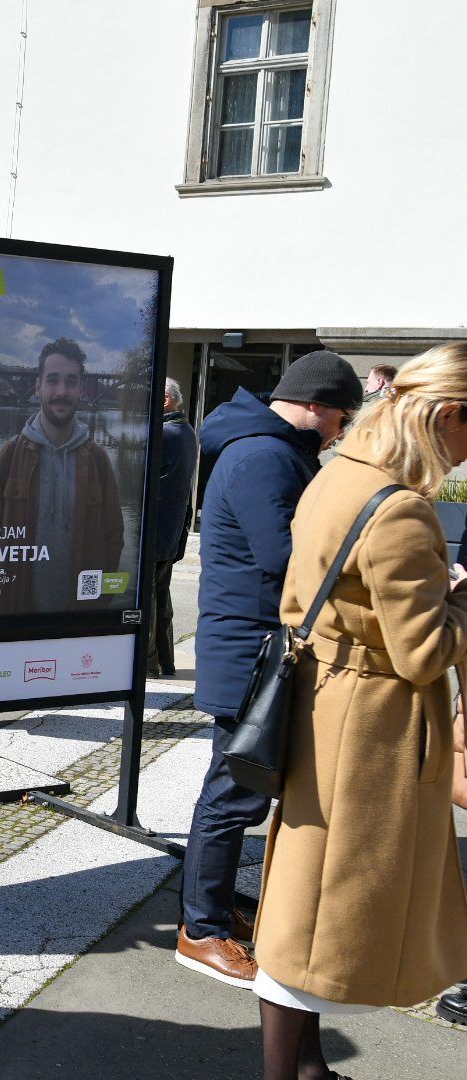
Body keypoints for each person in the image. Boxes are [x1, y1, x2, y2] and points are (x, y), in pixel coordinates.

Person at [252, 345, 467, 1079]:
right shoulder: (400, 506)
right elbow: (423, 653)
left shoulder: (340, 471)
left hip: (326, 701)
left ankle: (304, 1065)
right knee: (320, 910)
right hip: (369, 727)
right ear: (445, 416)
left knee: (304, 895)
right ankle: (292, 1072)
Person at [178, 350, 363, 988]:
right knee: (233, 795)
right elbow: (289, 556)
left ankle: (213, 907)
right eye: (340, 417)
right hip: (253, 653)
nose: (339, 432)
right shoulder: (263, 455)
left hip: (255, 648)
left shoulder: (266, 447)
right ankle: (199, 930)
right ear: (315, 405)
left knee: (239, 790)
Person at [0, 337, 124, 615]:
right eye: (53, 380)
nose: (61, 391)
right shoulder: (8, 457)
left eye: (71, 381)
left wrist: (99, 602)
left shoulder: (98, 461)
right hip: (16, 622)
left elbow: (113, 538)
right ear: (38, 386)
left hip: (78, 627)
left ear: (81, 389)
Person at [150, 377, 198, 677]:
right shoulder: (186, 431)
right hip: (170, 531)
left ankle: (148, 663)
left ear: (166, 400)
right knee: (161, 595)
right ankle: (165, 661)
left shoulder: (165, 434)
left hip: (156, 531)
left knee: (149, 598)